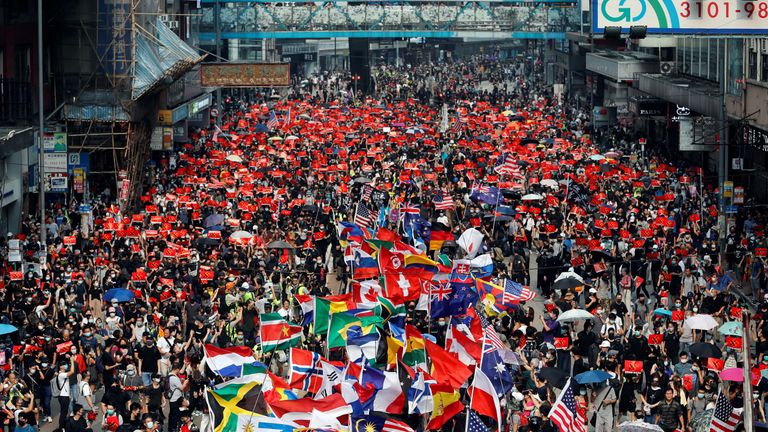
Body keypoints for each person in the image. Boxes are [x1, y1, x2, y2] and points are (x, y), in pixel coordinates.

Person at [53, 356, 76, 430]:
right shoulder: (61, 375)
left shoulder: (62, 373)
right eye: (65, 364)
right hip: (63, 396)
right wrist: (72, 361)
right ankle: (61, 427)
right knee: (63, 413)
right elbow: (72, 372)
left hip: (64, 396)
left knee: (64, 412)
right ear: (61, 367)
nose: (66, 366)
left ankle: (63, 426)